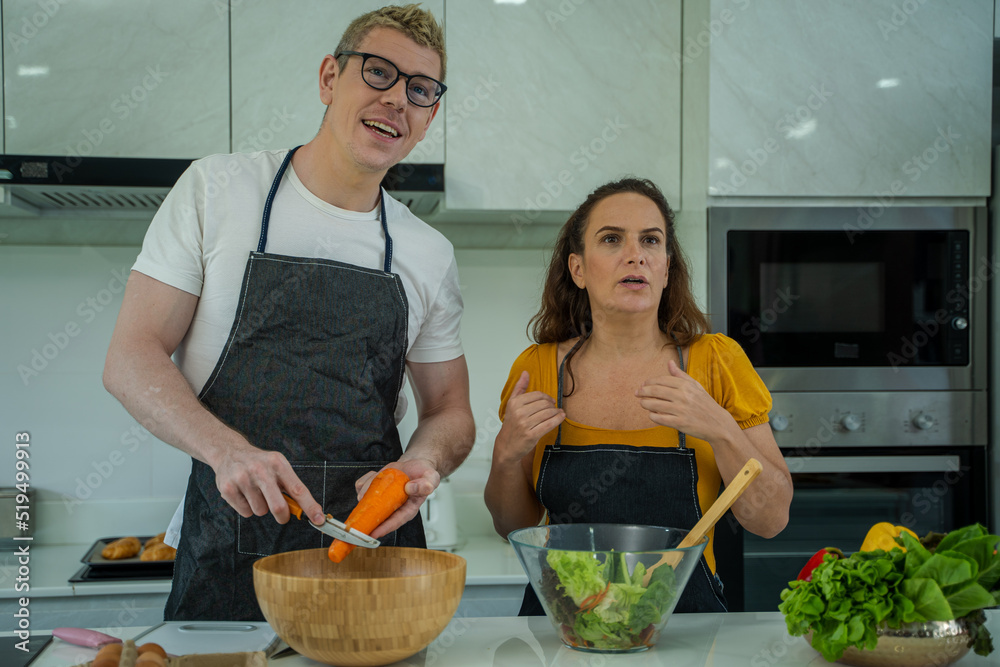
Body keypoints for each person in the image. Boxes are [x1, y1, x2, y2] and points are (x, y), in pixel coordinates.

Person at [103, 4, 475, 621]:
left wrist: (424, 462)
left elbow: (449, 411)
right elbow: (129, 355)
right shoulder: (217, 191)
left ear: (429, 115)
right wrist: (225, 451)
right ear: (330, 78)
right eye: (378, 73)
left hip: (373, 553)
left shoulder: (427, 252)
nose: (397, 101)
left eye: (420, 90)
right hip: (231, 547)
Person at [484, 178, 793, 614]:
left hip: (684, 625)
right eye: (612, 239)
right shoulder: (536, 370)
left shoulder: (715, 362)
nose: (636, 254)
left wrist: (721, 429)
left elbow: (771, 520)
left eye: (651, 240)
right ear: (578, 269)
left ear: (665, 268)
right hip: (562, 627)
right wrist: (506, 457)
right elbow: (512, 526)